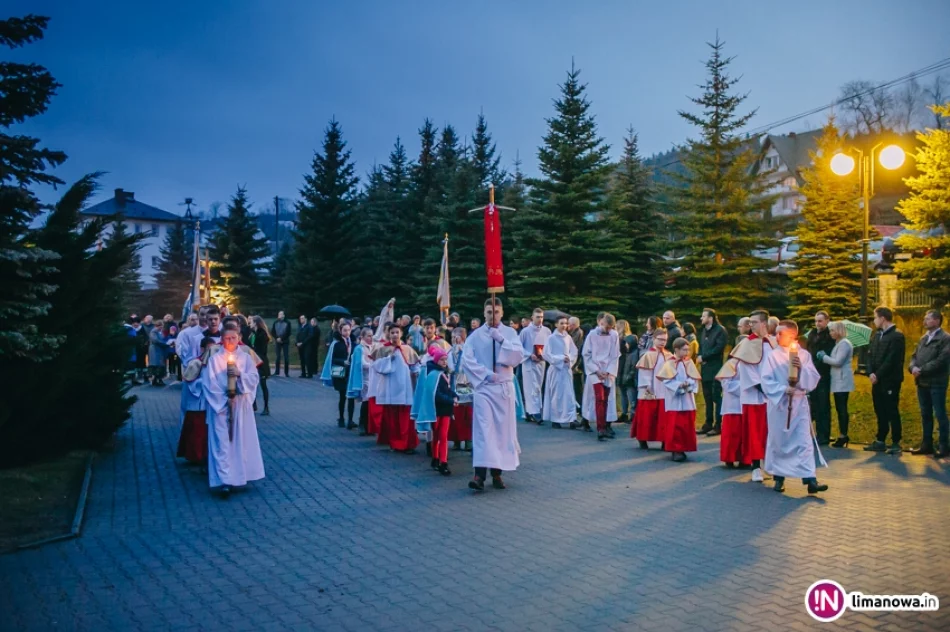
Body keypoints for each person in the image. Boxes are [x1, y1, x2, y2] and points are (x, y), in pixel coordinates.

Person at [462, 297, 528, 491]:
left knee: (501, 432)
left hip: (503, 389)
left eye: (496, 312)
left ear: (502, 313)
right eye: (489, 312)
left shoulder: (509, 333)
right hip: (484, 388)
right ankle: (479, 475)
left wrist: (501, 340)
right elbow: (467, 360)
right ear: (484, 313)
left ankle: (497, 473)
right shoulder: (475, 336)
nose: (493, 316)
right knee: (483, 430)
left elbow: (518, 356)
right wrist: (486, 375)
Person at [760, 320, 828, 494]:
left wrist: (801, 370)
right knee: (779, 441)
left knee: (804, 441)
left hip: (799, 403)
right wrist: (783, 389)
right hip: (779, 405)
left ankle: (810, 480)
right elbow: (766, 380)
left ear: (791, 335)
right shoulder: (772, 356)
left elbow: (813, 378)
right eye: (776, 333)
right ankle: (779, 478)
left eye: (780, 333)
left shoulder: (803, 355)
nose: (776, 336)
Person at [202, 328, 265, 496]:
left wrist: (240, 375)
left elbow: (254, 379)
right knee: (222, 444)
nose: (230, 341)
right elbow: (209, 384)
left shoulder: (245, 358)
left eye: (233, 338)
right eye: (227, 338)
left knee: (239, 443)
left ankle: (238, 477)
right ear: (222, 340)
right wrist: (224, 400)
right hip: (221, 409)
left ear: (239, 339)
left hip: (240, 407)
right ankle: (224, 480)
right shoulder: (215, 360)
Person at [729, 310, 774, 482]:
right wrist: (764, 388)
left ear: (763, 324)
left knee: (770, 432)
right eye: (749, 323)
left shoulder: (771, 342)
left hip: (772, 396)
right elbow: (748, 370)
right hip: (755, 395)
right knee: (755, 432)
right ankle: (755, 467)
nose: (750, 325)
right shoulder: (747, 344)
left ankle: (768, 464)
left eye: (754, 322)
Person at [177, 306, 222, 464]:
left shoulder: (224, 339)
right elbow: (190, 359)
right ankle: (199, 454)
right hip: (201, 382)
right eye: (207, 318)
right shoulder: (196, 339)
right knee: (199, 421)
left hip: (219, 385)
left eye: (214, 318)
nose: (210, 321)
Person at [373, 322, 421, 454]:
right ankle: (396, 443)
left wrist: (416, 371)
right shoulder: (383, 349)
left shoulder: (407, 349)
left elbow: (415, 365)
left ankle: (408, 443)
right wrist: (389, 359)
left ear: (401, 334)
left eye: (397, 332)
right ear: (389, 334)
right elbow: (377, 367)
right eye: (392, 332)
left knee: (406, 417)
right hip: (390, 388)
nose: (395, 335)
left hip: (405, 388)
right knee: (393, 419)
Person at [864, 306, 906, 455]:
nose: (874, 320)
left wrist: (878, 374)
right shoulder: (877, 335)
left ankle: (896, 441)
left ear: (882, 318)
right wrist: (870, 372)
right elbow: (870, 355)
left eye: (875, 317)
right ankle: (880, 439)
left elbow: (892, 359)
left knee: (891, 409)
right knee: (879, 409)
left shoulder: (896, 336)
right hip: (877, 380)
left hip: (890, 380)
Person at [908, 309, 950, 458]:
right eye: (924, 319)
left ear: (937, 321)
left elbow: (941, 360)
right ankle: (927, 444)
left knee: (939, 413)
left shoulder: (945, 338)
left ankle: (944, 445)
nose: (924, 321)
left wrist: (922, 370)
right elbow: (914, 356)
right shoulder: (923, 338)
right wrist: (913, 367)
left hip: (937, 382)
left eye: (928, 319)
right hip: (922, 382)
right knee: (925, 413)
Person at [414, 345, 458, 475]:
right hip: (436, 409)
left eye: (445, 359)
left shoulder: (444, 373)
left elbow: (447, 389)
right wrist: (451, 399)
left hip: (445, 410)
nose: (444, 362)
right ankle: (436, 458)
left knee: (443, 436)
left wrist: (454, 395)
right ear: (436, 361)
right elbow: (436, 394)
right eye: (442, 360)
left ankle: (443, 462)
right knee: (437, 435)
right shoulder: (434, 374)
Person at [657, 338, 701, 462]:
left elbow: (694, 378)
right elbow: (666, 380)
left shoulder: (689, 362)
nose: (687, 352)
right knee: (675, 425)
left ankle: (684, 447)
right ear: (676, 350)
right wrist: (678, 385)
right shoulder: (669, 363)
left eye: (688, 350)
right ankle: (675, 450)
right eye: (684, 350)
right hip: (674, 400)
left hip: (687, 399)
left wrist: (689, 383)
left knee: (686, 424)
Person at [582, 313, 621, 441]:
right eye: (606, 327)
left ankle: (605, 425)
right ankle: (600, 428)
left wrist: (609, 371)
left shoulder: (614, 335)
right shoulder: (592, 335)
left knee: (607, 400)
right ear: (601, 323)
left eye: (611, 328)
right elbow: (586, 354)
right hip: (595, 371)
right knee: (599, 398)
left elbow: (615, 355)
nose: (608, 330)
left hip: (608, 371)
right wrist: (596, 370)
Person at [631, 328, 671, 449]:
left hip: (664, 390)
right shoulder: (648, 355)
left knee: (663, 417)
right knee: (647, 416)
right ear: (654, 339)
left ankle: (664, 439)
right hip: (650, 390)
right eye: (660, 339)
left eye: (665, 340)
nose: (662, 342)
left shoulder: (669, 355)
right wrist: (647, 384)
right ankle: (643, 438)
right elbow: (644, 372)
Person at [817, 321, 854, 448]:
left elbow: (838, 362)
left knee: (842, 408)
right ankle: (842, 434)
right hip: (838, 379)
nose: (831, 333)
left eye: (833, 330)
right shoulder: (839, 343)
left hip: (842, 379)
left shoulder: (844, 344)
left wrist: (824, 357)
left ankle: (843, 435)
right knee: (839, 407)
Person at [542, 316, 579, 428]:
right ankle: (556, 419)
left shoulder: (568, 338)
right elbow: (546, 354)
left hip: (566, 369)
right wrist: (561, 358)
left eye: (566, 323)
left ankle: (571, 418)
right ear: (556, 325)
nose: (564, 326)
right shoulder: (551, 338)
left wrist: (569, 359)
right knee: (557, 395)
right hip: (556, 370)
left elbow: (574, 351)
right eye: (561, 323)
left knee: (569, 394)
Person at [806, 311, 835, 445]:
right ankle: (816, 432)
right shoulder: (812, 334)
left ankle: (824, 434)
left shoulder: (829, 335)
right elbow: (808, 350)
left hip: (823, 373)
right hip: (811, 372)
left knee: (824, 404)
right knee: (814, 404)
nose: (817, 324)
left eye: (820, 321)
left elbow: (828, 353)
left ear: (827, 321)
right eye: (816, 321)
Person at [697, 308, 727, 435]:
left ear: (711, 318)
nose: (701, 318)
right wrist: (699, 356)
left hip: (715, 368)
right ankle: (708, 423)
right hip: (705, 369)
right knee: (707, 397)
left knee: (716, 396)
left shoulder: (720, 330)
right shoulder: (704, 331)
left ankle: (718, 425)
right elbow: (701, 346)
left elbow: (719, 348)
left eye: (704, 316)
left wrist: (704, 357)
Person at [519, 308, 552, 424]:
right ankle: (534, 412)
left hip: (540, 363)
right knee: (530, 388)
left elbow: (549, 346)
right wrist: (529, 355)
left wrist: (544, 356)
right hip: (528, 363)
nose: (540, 319)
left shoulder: (547, 331)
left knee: (537, 387)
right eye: (537, 317)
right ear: (532, 317)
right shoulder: (525, 332)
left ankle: (531, 411)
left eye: (542, 317)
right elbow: (519, 347)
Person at [322, 321, 355, 428]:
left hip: (350, 372)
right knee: (342, 396)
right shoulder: (336, 343)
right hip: (341, 373)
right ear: (340, 331)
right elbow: (333, 358)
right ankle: (341, 417)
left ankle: (350, 420)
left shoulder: (353, 342)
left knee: (351, 397)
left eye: (349, 330)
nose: (347, 332)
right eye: (345, 330)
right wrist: (342, 361)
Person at [447, 328, 474, 451]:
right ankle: (457, 439)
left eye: (456, 337)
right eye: (452, 337)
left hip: (466, 384)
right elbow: (450, 368)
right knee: (455, 414)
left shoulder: (468, 351)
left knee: (467, 414)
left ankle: (468, 440)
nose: (453, 339)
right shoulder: (450, 352)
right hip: (454, 384)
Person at [715, 358, 744, 468]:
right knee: (732, 433)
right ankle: (729, 458)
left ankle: (744, 459)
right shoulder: (731, 364)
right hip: (732, 404)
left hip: (747, 404)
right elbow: (726, 383)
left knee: (744, 433)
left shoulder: (752, 362)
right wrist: (745, 385)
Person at [348, 326, 376, 436]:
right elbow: (361, 363)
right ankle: (362, 425)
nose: (371, 338)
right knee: (366, 402)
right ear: (362, 337)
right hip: (364, 379)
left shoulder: (372, 347)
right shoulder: (359, 348)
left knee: (370, 403)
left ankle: (369, 426)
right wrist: (374, 365)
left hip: (372, 378)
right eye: (368, 336)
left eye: (371, 336)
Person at [616, 319, 639, 424]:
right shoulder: (625, 340)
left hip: (624, 368)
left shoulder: (625, 341)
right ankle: (625, 412)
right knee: (624, 392)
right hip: (623, 368)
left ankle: (629, 413)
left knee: (628, 393)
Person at [251, 316, 272, 416]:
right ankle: (253, 404)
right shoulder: (254, 333)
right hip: (255, 360)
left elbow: (261, 349)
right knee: (253, 384)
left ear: (256, 323)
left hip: (261, 362)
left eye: (251, 322)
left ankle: (266, 407)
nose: (250, 323)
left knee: (263, 384)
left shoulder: (261, 334)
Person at [568, 316, 586, 424]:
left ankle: (580, 408)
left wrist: (574, 366)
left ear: (574, 325)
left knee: (577, 388)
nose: (567, 327)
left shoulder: (578, 334)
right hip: (575, 366)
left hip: (576, 367)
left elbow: (577, 351)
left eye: (569, 324)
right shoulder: (573, 334)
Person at [148, 321, 171, 386]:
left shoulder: (159, 332)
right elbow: (155, 340)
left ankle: (157, 379)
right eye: (161, 326)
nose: (162, 327)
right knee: (157, 364)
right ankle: (156, 379)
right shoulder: (154, 331)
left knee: (160, 364)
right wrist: (165, 344)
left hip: (159, 349)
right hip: (155, 350)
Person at [272, 311, 292, 377]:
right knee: (278, 357)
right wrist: (277, 338)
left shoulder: (288, 322)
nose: (280, 315)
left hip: (285, 342)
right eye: (279, 314)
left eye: (281, 314)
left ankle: (286, 372)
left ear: (284, 315)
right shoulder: (275, 322)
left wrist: (281, 338)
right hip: (277, 342)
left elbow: (288, 332)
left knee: (286, 357)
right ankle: (277, 371)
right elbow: (273, 332)